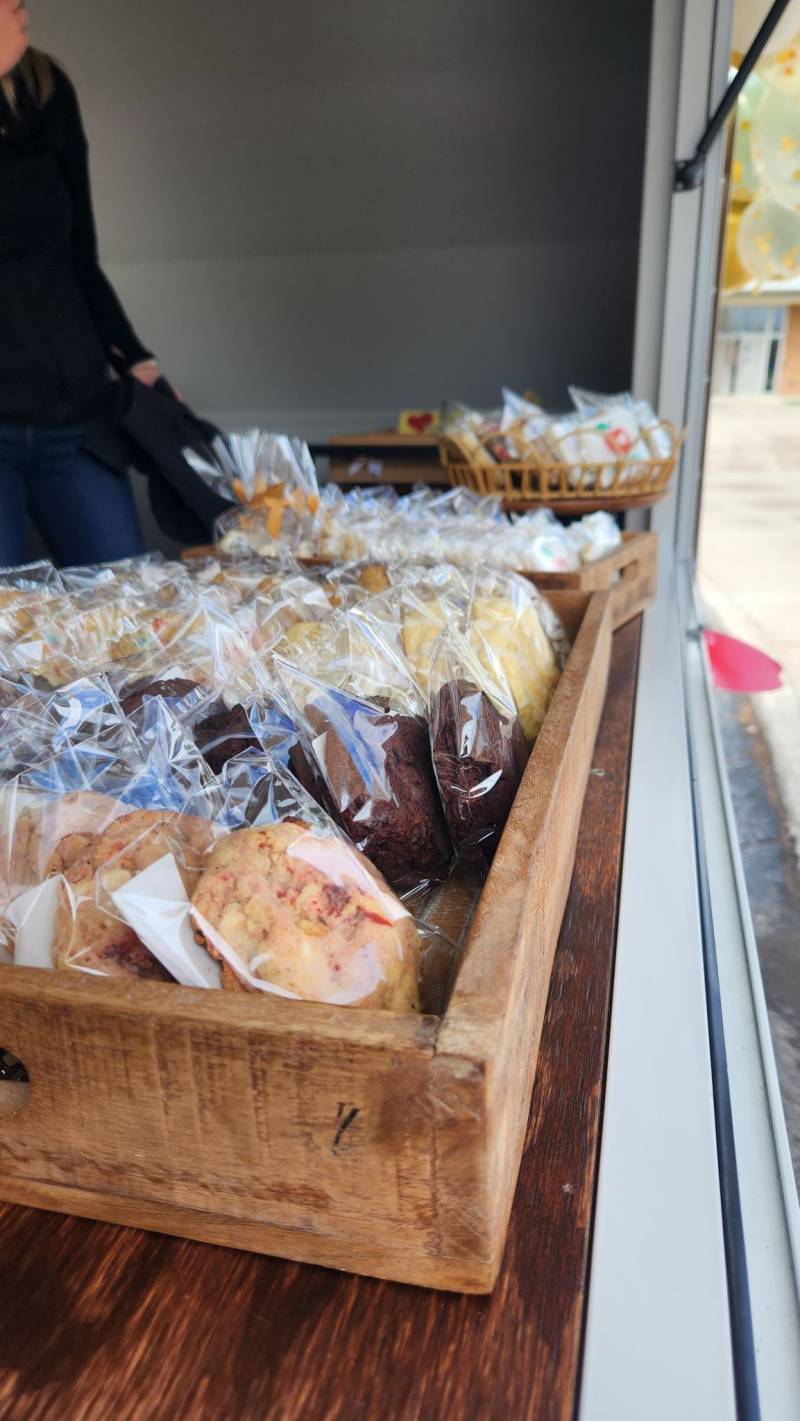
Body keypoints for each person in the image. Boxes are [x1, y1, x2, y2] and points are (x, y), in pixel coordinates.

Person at [0, 1, 168, 567]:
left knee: (125, 607)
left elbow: (79, 255)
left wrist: (135, 357)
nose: (22, 5)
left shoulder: (45, 89)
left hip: (72, 415)